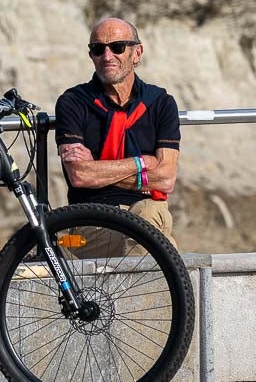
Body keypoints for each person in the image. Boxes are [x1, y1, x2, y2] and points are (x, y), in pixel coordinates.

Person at [54, 18, 180, 247]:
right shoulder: (72, 102)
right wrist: (142, 162)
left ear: (137, 53)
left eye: (118, 47)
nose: (107, 56)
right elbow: (80, 176)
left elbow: (166, 178)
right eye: (98, 49)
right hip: (91, 218)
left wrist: (98, 169)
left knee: (145, 218)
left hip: (148, 208)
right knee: (159, 245)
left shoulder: (161, 103)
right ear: (91, 55)